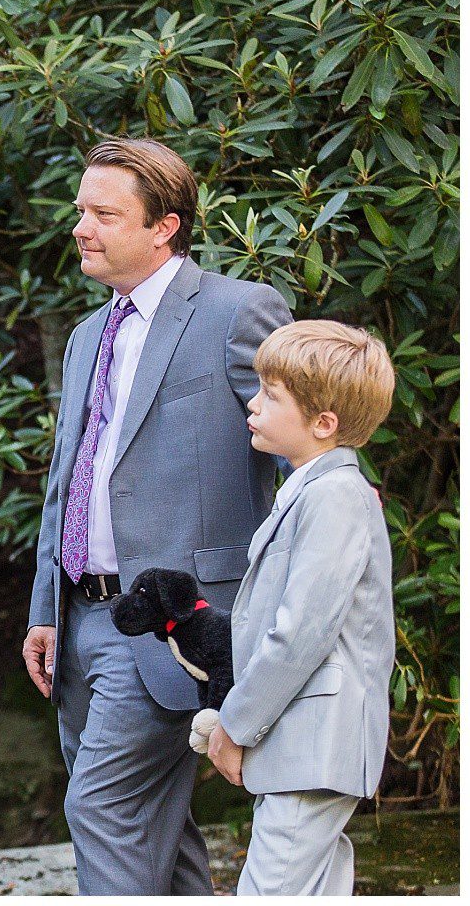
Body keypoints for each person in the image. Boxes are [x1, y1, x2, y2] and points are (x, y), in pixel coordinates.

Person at [22, 138, 293, 894]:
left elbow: (302, 439)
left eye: (105, 214)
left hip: (176, 624)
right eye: (81, 210)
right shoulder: (85, 337)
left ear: (164, 227)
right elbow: (68, 480)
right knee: (159, 834)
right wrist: (46, 609)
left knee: (104, 809)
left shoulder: (240, 312)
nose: (81, 227)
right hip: (81, 623)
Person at [207, 320, 395, 894]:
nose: (254, 403)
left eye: (272, 395)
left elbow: (299, 634)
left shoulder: (335, 497)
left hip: (315, 744)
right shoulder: (314, 491)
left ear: (323, 423)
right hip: (307, 745)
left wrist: (234, 725)